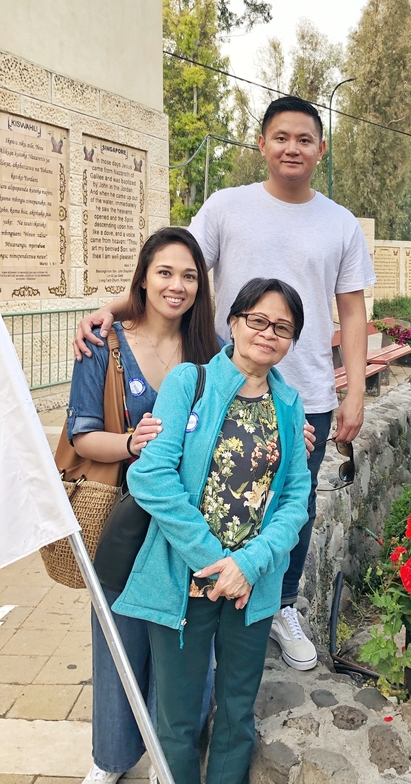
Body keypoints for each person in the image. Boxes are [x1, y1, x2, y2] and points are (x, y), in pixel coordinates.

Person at [75, 96, 376, 670]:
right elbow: (174, 269)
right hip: (222, 390)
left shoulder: (339, 223)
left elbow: (353, 312)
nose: (293, 148)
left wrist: (354, 392)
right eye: (281, 137)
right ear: (261, 144)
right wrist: (111, 309)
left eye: (305, 139)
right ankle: (201, 599)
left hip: (304, 395)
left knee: (293, 504)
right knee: (202, 497)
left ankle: (279, 604)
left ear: (321, 149)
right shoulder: (225, 208)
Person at [112, 278, 311, 784]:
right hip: (186, 579)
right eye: (258, 320)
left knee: (237, 715)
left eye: (283, 328)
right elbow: (150, 477)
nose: (268, 334)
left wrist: (248, 563)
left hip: (251, 586)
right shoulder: (189, 383)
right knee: (177, 720)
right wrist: (212, 557)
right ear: (235, 322)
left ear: (292, 340)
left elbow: (295, 497)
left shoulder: (288, 405)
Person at [67, 227, 220, 784]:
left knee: (184, 637)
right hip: (124, 521)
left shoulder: (212, 354)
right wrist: (133, 444)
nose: (176, 286)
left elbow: (250, 407)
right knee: (119, 635)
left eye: (189, 275)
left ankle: (169, 752)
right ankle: (110, 757)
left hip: (189, 522)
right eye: (165, 272)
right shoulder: (105, 344)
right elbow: (83, 435)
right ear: (144, 277)